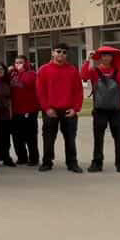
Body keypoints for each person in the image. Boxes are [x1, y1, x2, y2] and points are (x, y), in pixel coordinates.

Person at [82, 46, 120, 174]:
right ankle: (97, 162)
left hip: (116, 110)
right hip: (99, 110)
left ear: (112, 57)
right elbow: (83, 75)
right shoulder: (95, 71)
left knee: (119, 138)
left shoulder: (119, 71)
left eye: (109, 55)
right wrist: (87, 60)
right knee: (98, 137)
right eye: (104, 55)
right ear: (100, 57)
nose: (106, 58)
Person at [36, 42, 84, 173]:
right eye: (58, 51)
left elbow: (78, 91)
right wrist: (46, 108)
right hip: (51, 110)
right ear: (52, 53)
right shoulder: (44, 70)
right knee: (48, 138)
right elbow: (41, 91)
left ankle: (72, 163)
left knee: (70, 138)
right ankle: (47, 162)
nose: (61, 54)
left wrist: (75, 109)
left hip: (68, 110)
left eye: (64, 52)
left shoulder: (72, 70)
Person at [9, 56, 40, 167]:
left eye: (21, 62)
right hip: (16, 111)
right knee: (17, 137)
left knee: (30, 136)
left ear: (26, 63)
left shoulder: (31, 74)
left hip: (29, 110)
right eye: (16, 63)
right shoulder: (13, 75)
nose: (18, 65)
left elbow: (29, 85)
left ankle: (33, 158)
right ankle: (22, 157)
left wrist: (22, 72)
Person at [0, 62, 16, 167]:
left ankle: (6, 157)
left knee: (6, 137)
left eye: (2, 69)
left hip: (5, 113)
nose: (0, 70)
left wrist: (11, 112)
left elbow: (10, 99)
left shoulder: (7, 82)